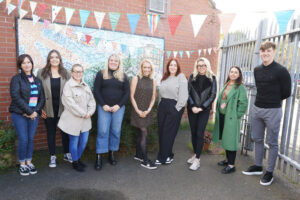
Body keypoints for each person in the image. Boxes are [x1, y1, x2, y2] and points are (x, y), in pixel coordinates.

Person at [242, 41, 291, 186]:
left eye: (268, 51)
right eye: (263, 51)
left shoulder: (281, 71)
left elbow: (286, 92)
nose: (265, 53)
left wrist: (272, 101)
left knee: (272, 142)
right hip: (257, 108)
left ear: (273, 52)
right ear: (260, 53)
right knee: (257, 138)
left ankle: (269, 172)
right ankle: (258, 166)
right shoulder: (257, 70)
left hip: (273, 110)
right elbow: (260, 87)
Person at [9, 54, 45, 176]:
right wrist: (29, 111)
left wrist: (35, 111)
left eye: (28, 62)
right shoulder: (16, 79)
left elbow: (42, 98)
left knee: (30, 138)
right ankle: (22, 164)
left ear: (32, 64)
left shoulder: (38, 81)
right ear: (20, 65)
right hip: (19, 114)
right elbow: (16, 96)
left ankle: (29, 161)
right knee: (23, 139)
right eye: (23, 63)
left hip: (34, 115)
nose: (26, 65)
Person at [93, 54, 130, 170]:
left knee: (115, 131)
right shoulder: (101, 74)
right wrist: (103, 104)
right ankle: (99, 156)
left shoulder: (123, 76)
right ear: (108, 61)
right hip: (104, 107)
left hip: (118, 108)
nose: (113, 62)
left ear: (119, 63)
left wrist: (118, 105)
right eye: (111, 60)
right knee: (103, 131)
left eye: (116, 61)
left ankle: (111, 153)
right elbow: (96, 90)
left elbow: (127, 93)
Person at [37, 49, 72, 168]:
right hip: (48, 108)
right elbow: (38, 92)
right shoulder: (42, 73)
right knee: (51, 133)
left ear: (60, 59)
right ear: (48, 59)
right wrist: (40, 109)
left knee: (65, 133)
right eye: (52, 57)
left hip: (64, 108)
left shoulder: (65, 73)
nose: (54, 59)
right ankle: (52, 156)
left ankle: (67, 154)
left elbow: (70, 91)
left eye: (56, 57)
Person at [58, 64, 96, 172]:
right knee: (74, 142)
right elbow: (70, 104)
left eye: (80, 72)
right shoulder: (68, 86)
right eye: (76, 71)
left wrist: (90, 112)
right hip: (73, 120)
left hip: (85, 120)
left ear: (83, 73)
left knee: (83, 142)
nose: (78, 74)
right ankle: (75, 162)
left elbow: (92, 101)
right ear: (72, 73)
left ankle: (77, 159)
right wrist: (83, 113)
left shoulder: (86, 86)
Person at [212, 66, 248, 174]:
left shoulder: (240, 87)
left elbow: (243, 103)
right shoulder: (227, 84)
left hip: (231, 118)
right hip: (223, 116)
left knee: (231, 140)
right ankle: (227, 160)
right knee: (226, 139)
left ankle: (231, 166)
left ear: (239, 75)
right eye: (231, 72)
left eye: (235, 72)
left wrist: (236, 115)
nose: (233, 74)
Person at [155, 58, 188, 165]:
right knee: (161, 132)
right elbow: (161, 93)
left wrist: (176, 110)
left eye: (174, 65)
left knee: (167, 133)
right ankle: (168, 154)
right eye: (170, 65)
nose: (172, 67)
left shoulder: (181, 77)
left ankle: (162, 157)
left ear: (177, 67)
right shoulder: (165, 77)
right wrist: (159, 106)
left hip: (174, 107)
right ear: (168, 67)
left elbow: (184, 96)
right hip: (163, 107)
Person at [187, 57, 217, 171]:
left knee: (200, 133)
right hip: (192, 109)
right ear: (196, 66)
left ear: (207, 66)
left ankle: (198, 160)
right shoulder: (192, 77)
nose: (201, 67)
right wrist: (193, 106)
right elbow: (188, 93)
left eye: (203, 65)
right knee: (193, 133)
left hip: (204, 110)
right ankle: (195, 154)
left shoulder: (212, 78)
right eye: (199, 65)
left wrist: (201, 107)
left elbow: (213, 95)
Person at [130, 59, 157, 170]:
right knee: (144, 132)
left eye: (148, 67)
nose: (146, 69)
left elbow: (153, 97)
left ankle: (138, 154)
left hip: (147, 111)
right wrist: (138, 111)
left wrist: (149, 110)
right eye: (144, 67)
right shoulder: (136, 78)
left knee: (141, 133)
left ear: (151, 69)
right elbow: (131, 96)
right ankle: (145, 160)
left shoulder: (153, 81)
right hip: (137, 111)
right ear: (141, 68)